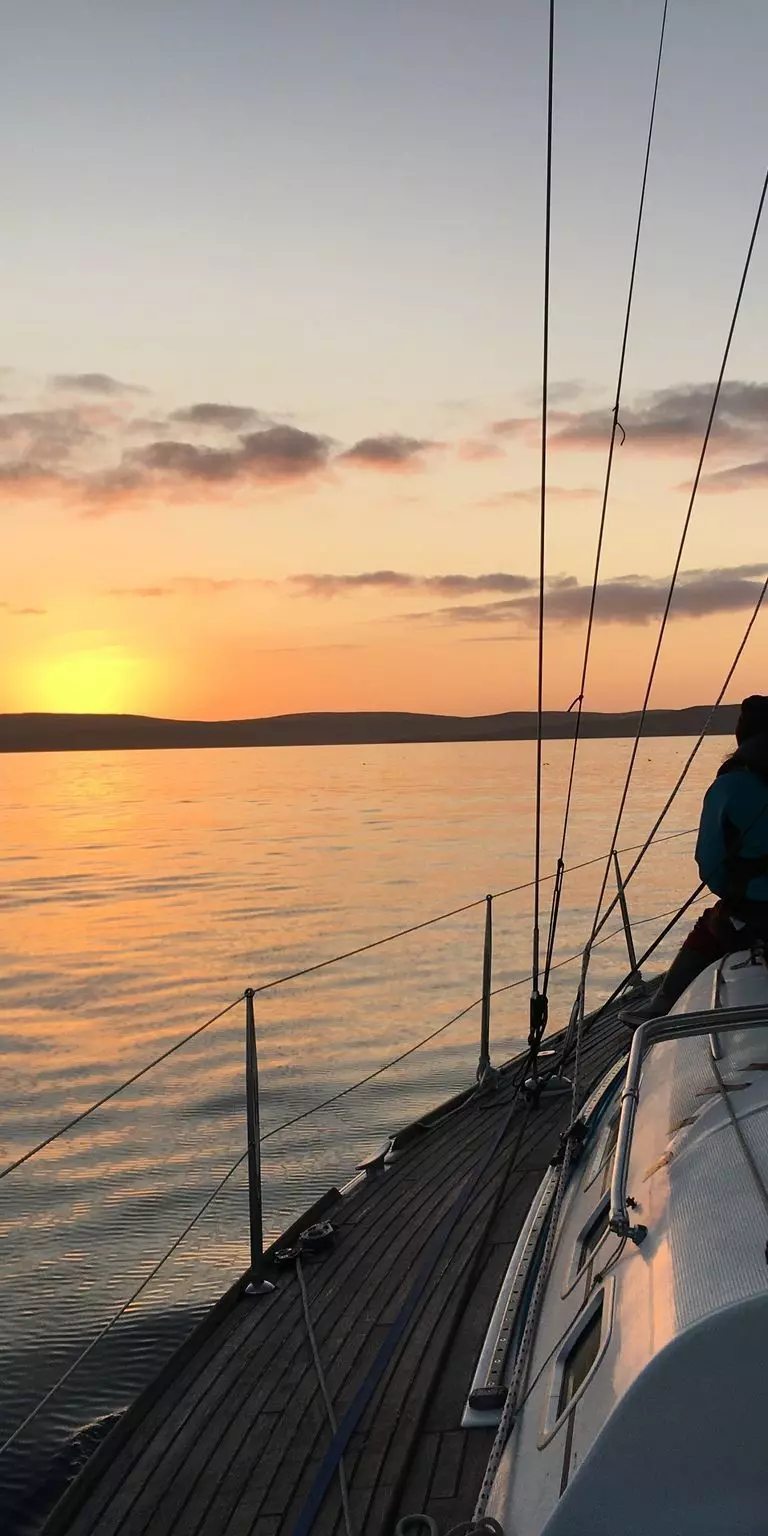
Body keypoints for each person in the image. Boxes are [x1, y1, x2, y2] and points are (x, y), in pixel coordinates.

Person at [622, 694, 768, 1025]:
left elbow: (710, 864)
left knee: (712, 924)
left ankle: (661, 1007)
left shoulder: (730, 786)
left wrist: (736, 886)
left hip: (758, 912)